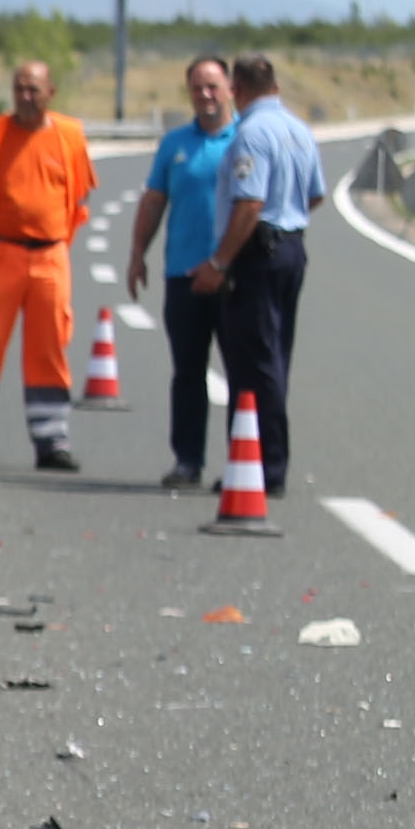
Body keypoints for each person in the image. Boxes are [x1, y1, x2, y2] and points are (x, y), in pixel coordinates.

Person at [0, 59, 97, 470]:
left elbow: (79, 195)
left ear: (51, 92)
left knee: (49, 349)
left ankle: (51, 442)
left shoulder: (70, 136)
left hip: (50, 256)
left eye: (33, 90)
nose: (26, 98)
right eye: (19, 89)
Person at [193, 52, 326, 497]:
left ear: (238, 90)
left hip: (257, 253)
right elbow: (314, 196)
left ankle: (263, 468)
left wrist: (219, 263)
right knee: (275, 355)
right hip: (290, 246)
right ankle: (256, 463)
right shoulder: (299, 129)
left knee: (254, 363)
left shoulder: (251, 133)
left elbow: (249, 204)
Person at [126, 54, 237, 489]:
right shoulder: (175, 145)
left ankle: (243, 465)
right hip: (183, 276)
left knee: (240, 374)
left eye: (213, 86)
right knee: (188, 372)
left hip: (234, 276)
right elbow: (154, 201)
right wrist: (138, 254)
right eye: (197, 88)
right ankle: (187, 460)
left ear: (230, 89)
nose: (206, 95)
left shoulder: (246, 138)